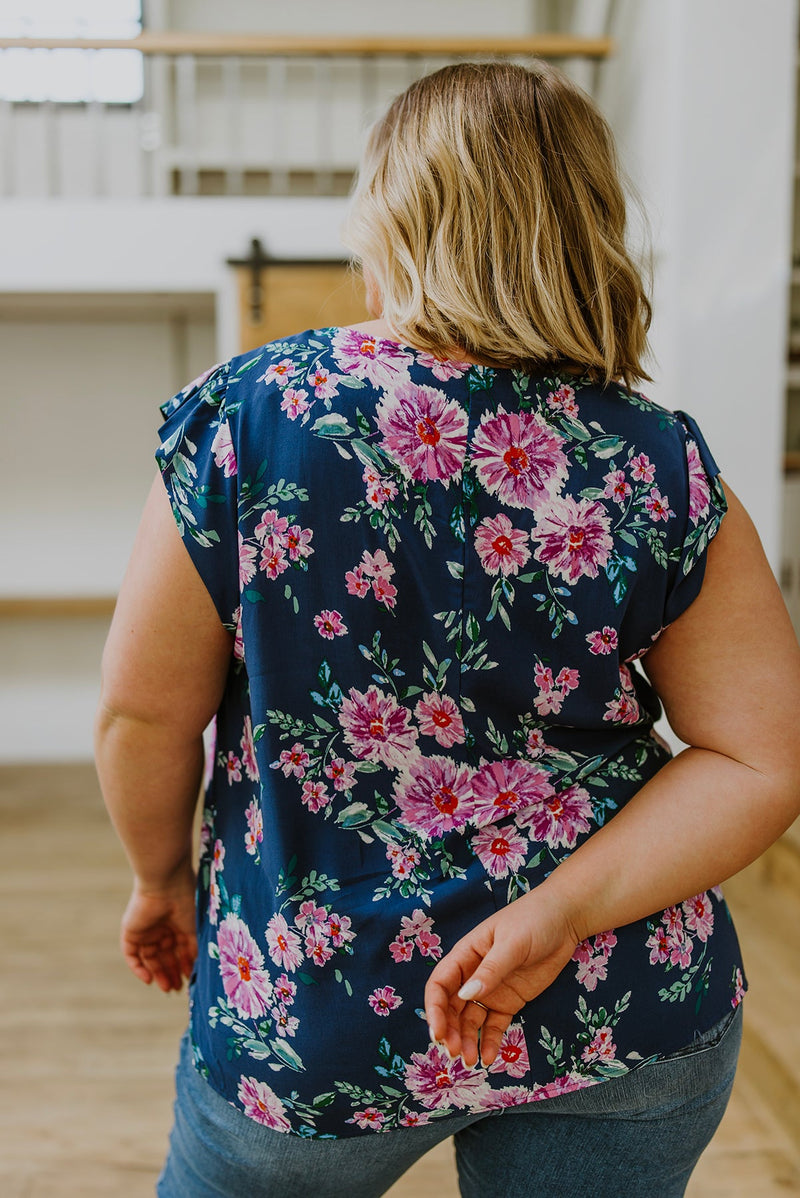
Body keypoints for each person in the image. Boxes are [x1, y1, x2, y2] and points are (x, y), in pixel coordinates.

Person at [95, 61, 800, 1198]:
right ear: (586, 233)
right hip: (613, 1002)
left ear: (390, 221)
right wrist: (561, 910)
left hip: (316, 1015)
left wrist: (158, 878)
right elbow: (759, 757)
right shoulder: (657, 459)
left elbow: (142, 712)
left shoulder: (255, 415)